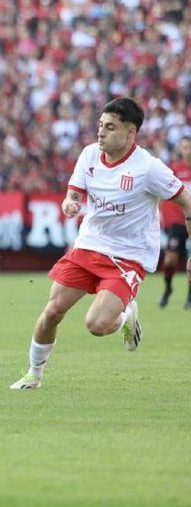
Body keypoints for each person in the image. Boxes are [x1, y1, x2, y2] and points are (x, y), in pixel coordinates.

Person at [11, 98, 191, 390]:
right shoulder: (89, 155)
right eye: (100, 126)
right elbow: (73, 193)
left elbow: (186, 200)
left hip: (127, 257)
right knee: (53, 310)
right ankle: (34, 374)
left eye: (110, 127)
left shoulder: (148, 168)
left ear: (131, 133)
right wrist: (70, 202)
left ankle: (126, 314)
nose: (101, 133)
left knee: (96, 325)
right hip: (88, 247)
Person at [158, 137, 191, 309]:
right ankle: (168, 288)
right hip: (179, 222)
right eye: (184, 147)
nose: (187, 150)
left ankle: (190, 296)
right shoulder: (175, 170)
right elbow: (162, 193)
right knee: (170, 259)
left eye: (189, 147)